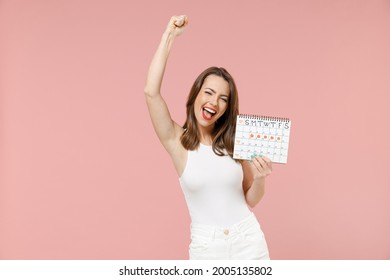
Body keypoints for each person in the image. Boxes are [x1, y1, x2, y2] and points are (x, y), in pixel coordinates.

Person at [144, 15, 272, 260]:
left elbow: (251, 198)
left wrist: (260, 178)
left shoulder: (235, 141)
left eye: (223, 98)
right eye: (209, 93)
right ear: (195, 95)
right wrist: (168, 37)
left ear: (227, 107)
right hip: (207, 249)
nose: (214, 102)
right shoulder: (177, 142)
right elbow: (151, 93)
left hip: (249, 241)